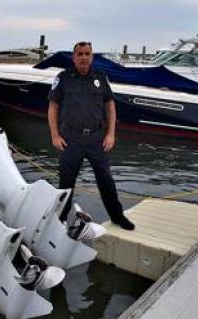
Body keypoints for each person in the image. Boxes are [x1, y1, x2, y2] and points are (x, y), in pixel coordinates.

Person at [47, 41, 135, 230]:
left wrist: (111, 134)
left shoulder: (101, 78)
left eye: (87, 54)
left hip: (96, 139)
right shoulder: (63, 78)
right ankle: (60, 220)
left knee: (106, 180)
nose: (84, 57)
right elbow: (53, 108)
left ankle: (117, 216)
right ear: (74, 57)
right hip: (71, 139)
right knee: (66, 184)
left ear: (92, 57)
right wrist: (55, 136)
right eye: (80, 54)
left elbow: (110, 107)